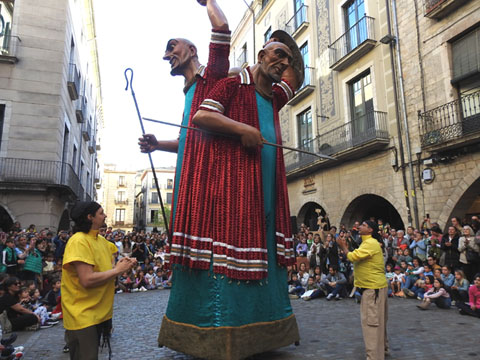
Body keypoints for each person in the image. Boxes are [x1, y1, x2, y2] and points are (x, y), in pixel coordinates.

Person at [158, 32, 304, 359]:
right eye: (277, 55)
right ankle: (223, 331)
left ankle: (266, 329)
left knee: (267, 251)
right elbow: (202, 117)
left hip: (269, 187)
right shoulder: (233, 81)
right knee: (236, 252)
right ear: (260, 55)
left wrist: (289, 45)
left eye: (287, 59)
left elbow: (294, 79)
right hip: (237, 184)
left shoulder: (275, 96)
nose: (283, 63)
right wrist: (243, 129)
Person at [61, 202, 136, 360]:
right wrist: (117, 270)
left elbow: (109, 270)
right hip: (82, 313)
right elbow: (87, 280)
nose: (105, 215)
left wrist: (124, 266)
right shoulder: (78, 241)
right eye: (101, 213)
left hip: (99, 312)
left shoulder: (102, 242)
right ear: (90, 217)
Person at [337, 220, 388, 360]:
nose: (359, 227)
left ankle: (374, 356)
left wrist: (343, 247)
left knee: (371, 324)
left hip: (372, 289)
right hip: (376, 287)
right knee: (379, 321)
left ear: (371, 229)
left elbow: (353, 256)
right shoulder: (367, 242)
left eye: (364, 225)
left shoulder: (370, 243)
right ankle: (383, 349)